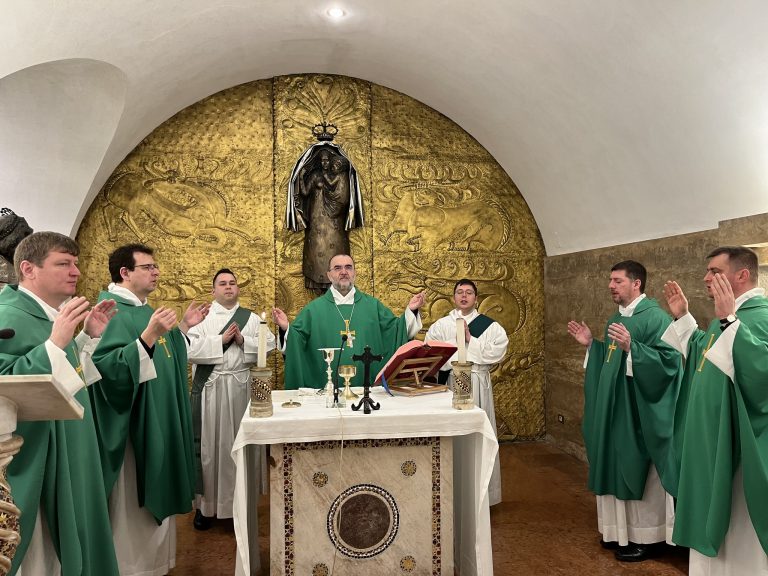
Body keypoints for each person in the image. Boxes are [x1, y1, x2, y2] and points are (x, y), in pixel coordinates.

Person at [0, 231, 119, 575]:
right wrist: (54, 344)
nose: (76, 272)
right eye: (64, 263)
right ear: (28, 269)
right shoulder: (8, 316)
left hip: (69, 442)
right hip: (38, 456)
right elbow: (6, 386)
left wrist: (84, 337)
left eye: (76, 264)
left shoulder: (47, 314)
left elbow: (63, 375)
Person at [89, 244, 209, 576]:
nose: (156, 272)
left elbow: (164, 355)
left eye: (156, 266)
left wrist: (182, 330)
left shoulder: (144, 310)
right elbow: (107, 371)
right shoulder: (111, 311)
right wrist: (147, 337)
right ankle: (131, 569)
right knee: (132, 508)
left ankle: (154, 567)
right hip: (134, 433)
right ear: (124, 273)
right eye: (147, 267)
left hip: (161, 420)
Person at [662, 246, 768, 574]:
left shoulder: (761, 317)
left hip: (737, 452)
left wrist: (730, 322)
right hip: (709, 444)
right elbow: (703, 353)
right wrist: (683, 317)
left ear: (742, 275)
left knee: (736, 530)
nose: (707, 278)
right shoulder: (726, 317)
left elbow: (762, 372)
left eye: (715, 272)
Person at [567, 260, 679, 562]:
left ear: (636, 283)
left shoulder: (656, 318)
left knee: (638, 467)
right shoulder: (616, 318)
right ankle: (618, 531)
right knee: (614, 464)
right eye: (611, 280)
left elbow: (670, 363)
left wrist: (634, 349)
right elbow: (611, 359)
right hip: (614, 409)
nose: (611, 286)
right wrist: (592, 346)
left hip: (638, 411)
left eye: (617, 281)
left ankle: (648, 536)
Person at [187, 268, 275, 530]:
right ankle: (206, 507)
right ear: (213, 290)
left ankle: (239, 506)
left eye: (232, 283)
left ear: (238, 288)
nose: (228, 287)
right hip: (211, 390)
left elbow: (269, 344)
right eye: (222, 283)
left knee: (239, 448)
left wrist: (243, 340)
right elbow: (188, 349)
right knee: (210, 449)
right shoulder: (202, 317)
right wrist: (220, 341)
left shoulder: (250, 318)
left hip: (240, 390)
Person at [274, 253, 425, 388]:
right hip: (327, 392)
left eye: (348, 267)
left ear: (354, 273)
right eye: (337, 268)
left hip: (367, 391)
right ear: (329, 275)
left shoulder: (373, 306)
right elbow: (296, 341)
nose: (343, 272)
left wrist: (411, 310)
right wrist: (286, 329)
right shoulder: (313, 310)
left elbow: (396, 330)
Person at [424, 278, 509, 506]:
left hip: (477, 382)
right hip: (451, 383)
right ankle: (452, 492)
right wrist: (452, 352)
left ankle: (482, 495)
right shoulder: (442, 325)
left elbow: (499, 351)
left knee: (478, 436)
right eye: (459, 292)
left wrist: (472, 340)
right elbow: (431, 352)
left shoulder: (490, 326)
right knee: (453, 435)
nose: (464, 296)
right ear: (453, 297)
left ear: (476, 298)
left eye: (469, 292)